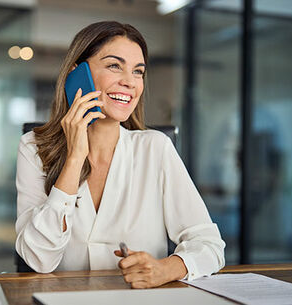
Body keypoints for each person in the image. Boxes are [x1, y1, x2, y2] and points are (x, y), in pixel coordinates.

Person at [15, 21, 225, 288]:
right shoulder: (33, 147)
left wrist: (166, 268)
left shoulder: (155, 148)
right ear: (76, 74)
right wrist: (75, 157)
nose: (129, 82)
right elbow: (38, 259)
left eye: (138, 72)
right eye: (115, 66)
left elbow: (210, 245)